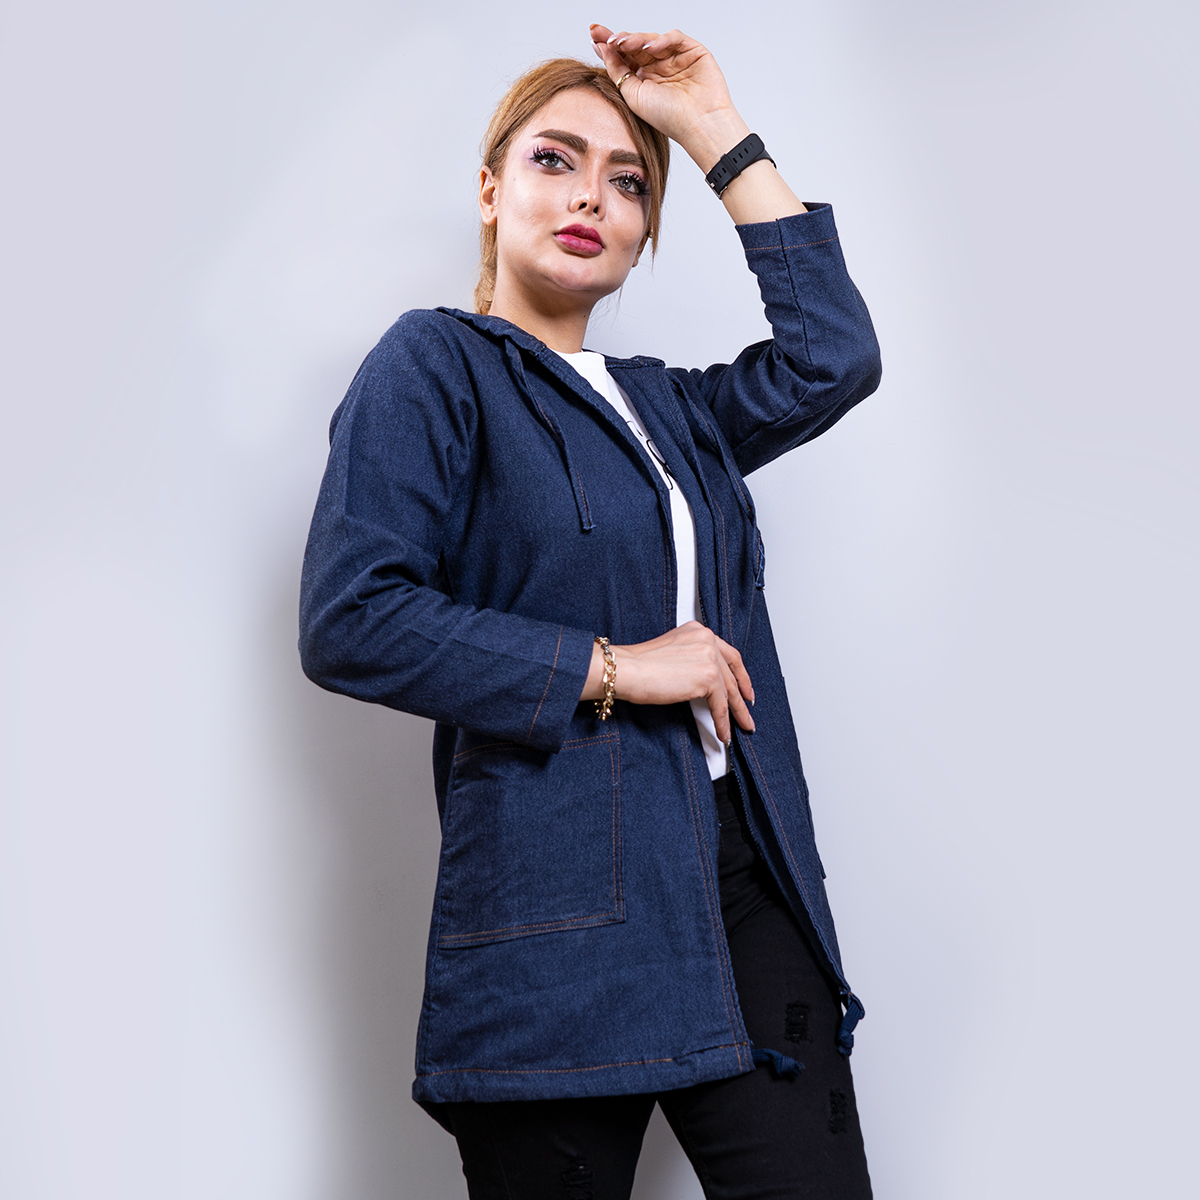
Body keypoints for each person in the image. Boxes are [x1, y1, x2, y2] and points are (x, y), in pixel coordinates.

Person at [300, 22, 881, 1199]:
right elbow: (351, 617)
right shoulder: (434, 366)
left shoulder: (675, 412)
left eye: (627, 183)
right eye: (554, 161)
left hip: (743, 875)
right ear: (489, 189)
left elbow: (835, 357)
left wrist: (712, 132)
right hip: (555, 897)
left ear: (645, 231)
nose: (589, 198)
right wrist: (616, 665)